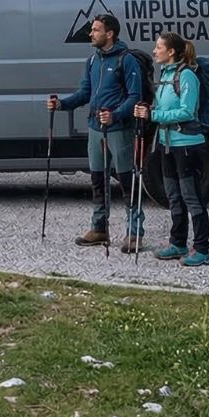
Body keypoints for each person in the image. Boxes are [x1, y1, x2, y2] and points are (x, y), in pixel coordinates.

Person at [48, 13, 146, 252]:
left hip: (119, 129)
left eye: (95, 30)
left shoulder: (127, 60)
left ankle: (134, 233)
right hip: (95, 128)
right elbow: (85, 93)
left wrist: (116, 114)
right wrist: (62, 104)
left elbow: (136, 96)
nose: (91, 34)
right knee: (97, 180)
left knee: (126, 181)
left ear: (110, 33)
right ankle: (99, 229)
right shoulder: (92, 61)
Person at [134, 31, 209, 267]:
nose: (154, 51)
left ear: (171, 52)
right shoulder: (166, 75)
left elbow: (188, 111)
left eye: (158, 47)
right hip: (167, 144)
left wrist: (154, 115)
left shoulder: (187, 76)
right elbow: (164, 106)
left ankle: (202, 249)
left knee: (192, 197)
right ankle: (177, 243)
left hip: (187, 145)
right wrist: (147, 109)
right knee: (173, 196)